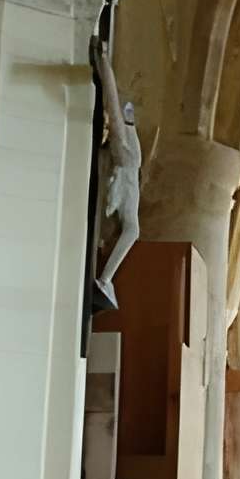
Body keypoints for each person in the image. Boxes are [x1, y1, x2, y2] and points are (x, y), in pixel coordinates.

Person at [89, 29, 141, 311]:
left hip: (128, 167)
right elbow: (118, 110)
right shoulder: (128, 158)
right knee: (117, 110)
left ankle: (106, 280)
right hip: (127, 166)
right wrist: (104, 61)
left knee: (132, 232)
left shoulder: (129, 158)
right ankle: (105, 280)